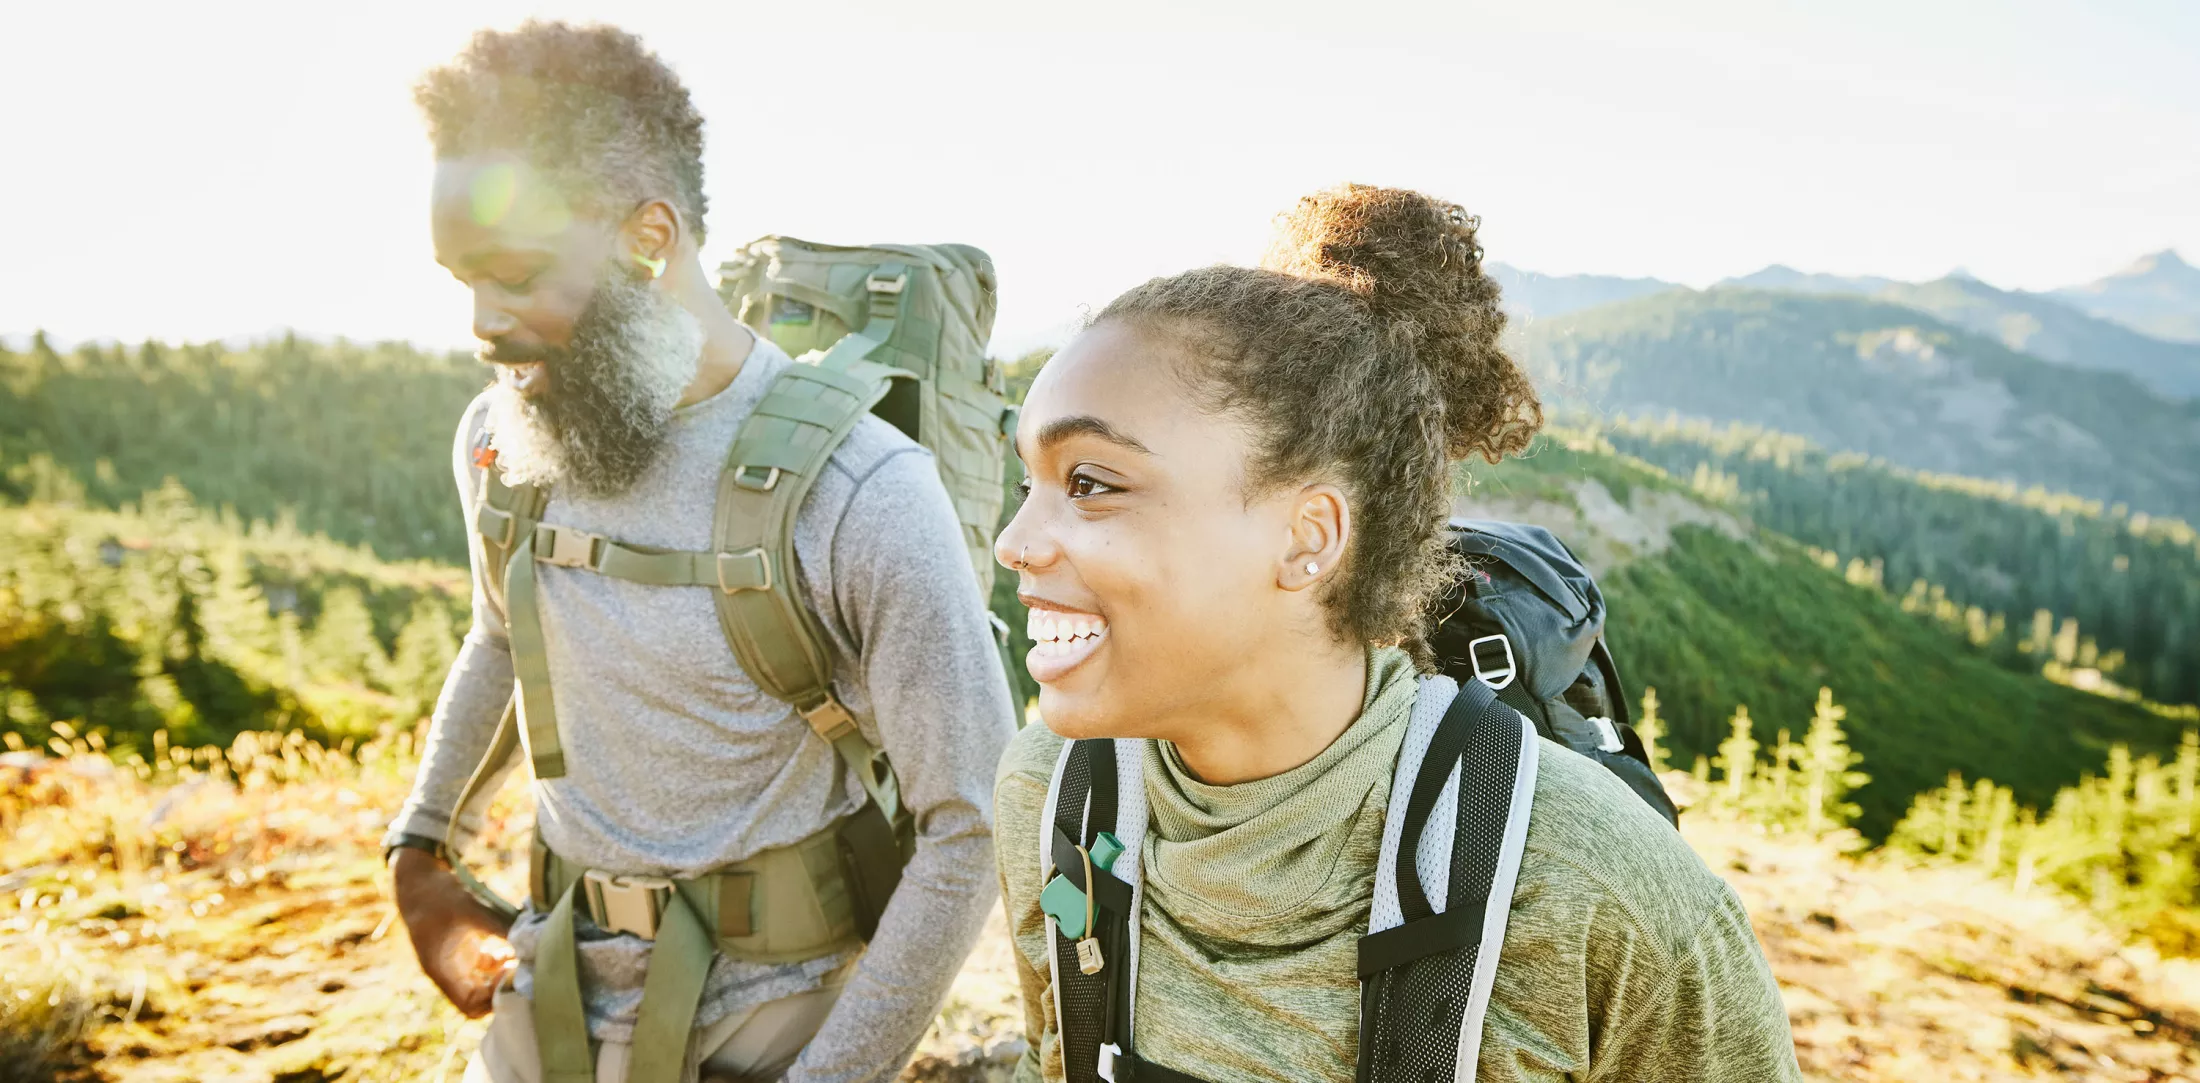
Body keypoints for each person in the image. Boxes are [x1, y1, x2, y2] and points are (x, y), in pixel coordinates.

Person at [991, 185, 1802, 1082]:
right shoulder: (1052, 795)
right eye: (1028, 479)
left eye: (1093, 482)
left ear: (1309, 538)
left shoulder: (1593, 888)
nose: (1015, 543)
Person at [379, 22, 1016, 1083]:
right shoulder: (503, 438)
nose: (483, 325)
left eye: (518, 274)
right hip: (550, 987)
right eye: (461, 280)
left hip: (775, 1019)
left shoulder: (861, 491)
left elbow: (973, 822)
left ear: (647, 238)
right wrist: (417, 848)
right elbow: (502, 633)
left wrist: (829, 1075)